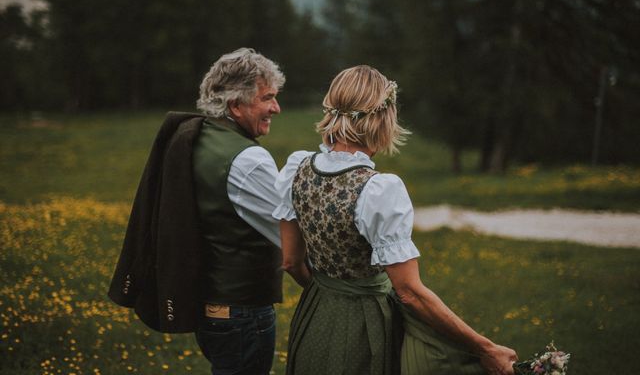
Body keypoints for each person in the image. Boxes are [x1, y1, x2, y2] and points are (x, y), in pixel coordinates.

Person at [273, 65, 518, 375]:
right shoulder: (379, 189)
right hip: (366, 329)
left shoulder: (297, 168)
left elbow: (292, 262)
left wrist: (331, 294)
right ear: (383, 120)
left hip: (314, 318)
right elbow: (409, 292)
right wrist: (485, 348)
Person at [109, 48, 284, 375]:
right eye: (267, 98)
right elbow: (289, 232)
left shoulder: (196, 136)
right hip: (242, 309)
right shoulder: (248, 159)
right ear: (236, 104)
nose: (276, 107)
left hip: (212, 308)